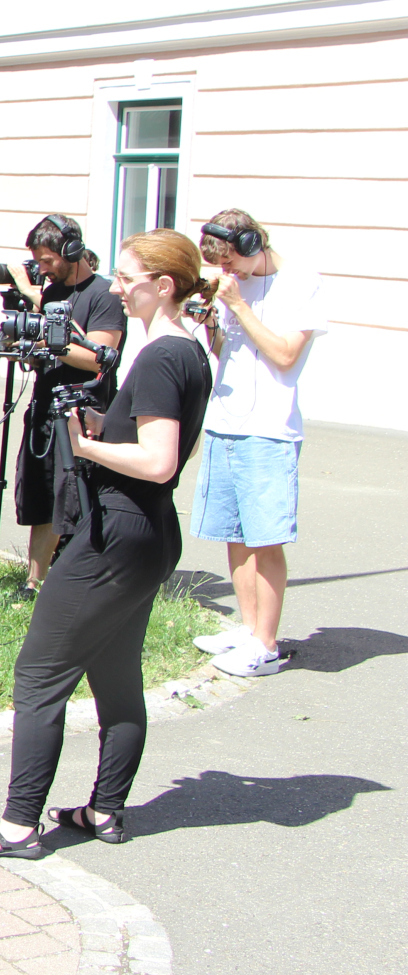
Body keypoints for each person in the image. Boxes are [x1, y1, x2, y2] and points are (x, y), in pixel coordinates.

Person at [0, 229, 214, 858]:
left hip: (114, 531)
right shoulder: (190, 350)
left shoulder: (161, 357)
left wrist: (88, 445)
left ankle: (16, 826)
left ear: (164, 285)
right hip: (148, 535)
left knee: (39, 676)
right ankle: (103, 811)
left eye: (127, 277)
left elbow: (158, 460)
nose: (116, 287)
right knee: (117, 679)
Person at [189, 210, 324, 678]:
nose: (227, 274)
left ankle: (266, 644)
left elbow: (286, 355)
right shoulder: (233, 285)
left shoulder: (299, 283)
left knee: (265, 538)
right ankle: (249, 629)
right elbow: (230, 350)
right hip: (225, 420)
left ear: (251, 244)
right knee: (235, 532)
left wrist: (240, 306)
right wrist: (211, 323)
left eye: (232, 263)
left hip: (270, 429)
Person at [9, 214, 126, 598]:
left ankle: (77, 580)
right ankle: (33, 582)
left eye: (47, 261)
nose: (42, 270)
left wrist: (50, 343)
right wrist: (28, 351)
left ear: (70, 250)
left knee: (72, 497)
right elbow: (46, 349)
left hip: (82, 410)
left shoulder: (105, 295)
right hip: (45, 404)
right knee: (42, 495)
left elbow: (99, 357)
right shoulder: (53, 293)